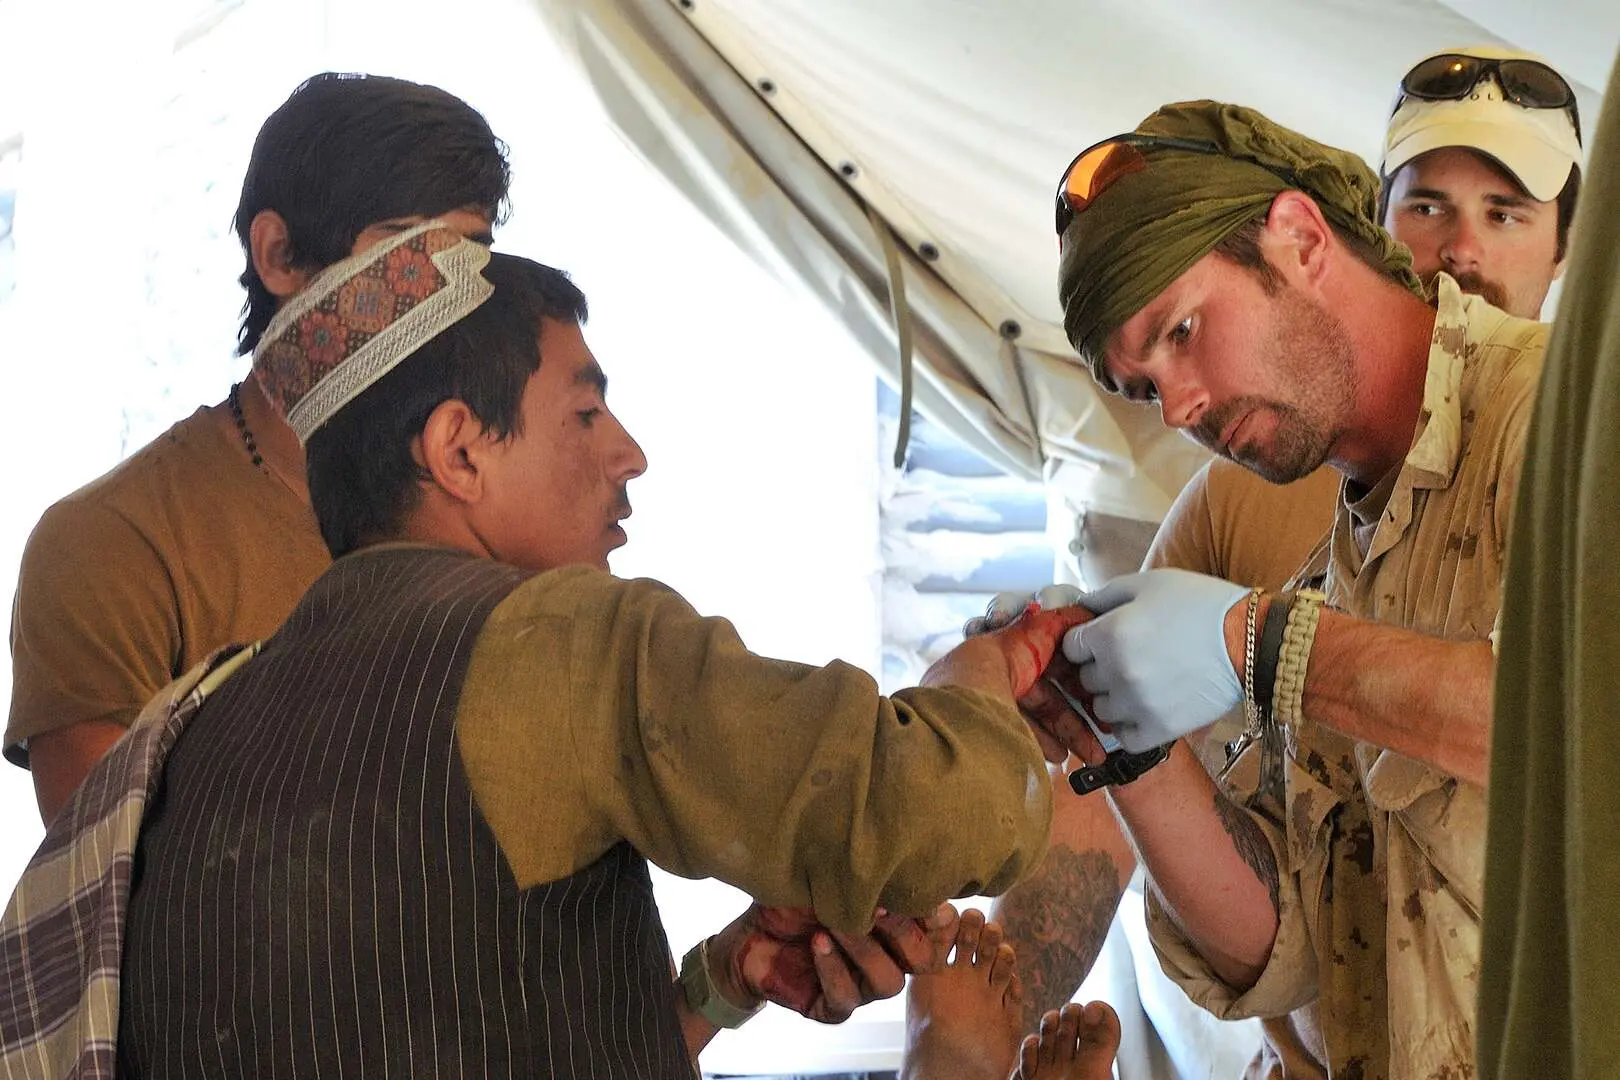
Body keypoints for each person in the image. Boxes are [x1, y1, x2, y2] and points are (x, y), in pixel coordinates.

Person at [0, 228, 1081, 1078]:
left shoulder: (202, 732)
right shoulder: (556, 637)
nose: (630, 454)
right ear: (459, 450)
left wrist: (722, 983)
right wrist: (974, 684)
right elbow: (927, 815)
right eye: (585, 411)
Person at [914, 44, 1584, 1080]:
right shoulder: (1323, 530)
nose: (1179, 407)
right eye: (1143, 388)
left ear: (1303, 239)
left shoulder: (1567, 423)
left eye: (1183, 331)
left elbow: (1584, 727)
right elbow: (1294, 946)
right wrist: (1124, 748)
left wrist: (1266, 645)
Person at [5, 72, 509, 822]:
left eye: (473, 259)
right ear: (278, 255)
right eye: (407, 258)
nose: (449, 295)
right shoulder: (115, 542)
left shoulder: (500, 499)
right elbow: (109, 901)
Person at [1476, 50, 1620, 1080]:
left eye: (1506, 213)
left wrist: (1267, 646)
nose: (1460, 251)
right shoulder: (1276, 481)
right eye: (1424, 205)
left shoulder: (1570, 424)